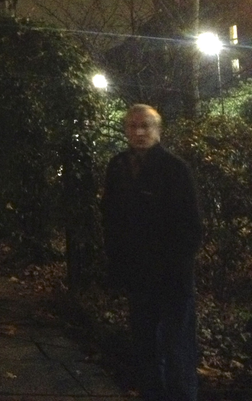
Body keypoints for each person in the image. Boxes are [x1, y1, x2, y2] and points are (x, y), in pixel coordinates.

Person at [101, 104, 203, 401]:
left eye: (145, 126)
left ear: (158, 130)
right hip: (137, 274)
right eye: (133, 126)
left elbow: (191, 225)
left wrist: (175, 264)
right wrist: (117, 263)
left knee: (177, 349)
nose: (139, 132)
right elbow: (111, 218)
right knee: (145, 347)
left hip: (172, 277)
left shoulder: (175, 169)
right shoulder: (118, 166)